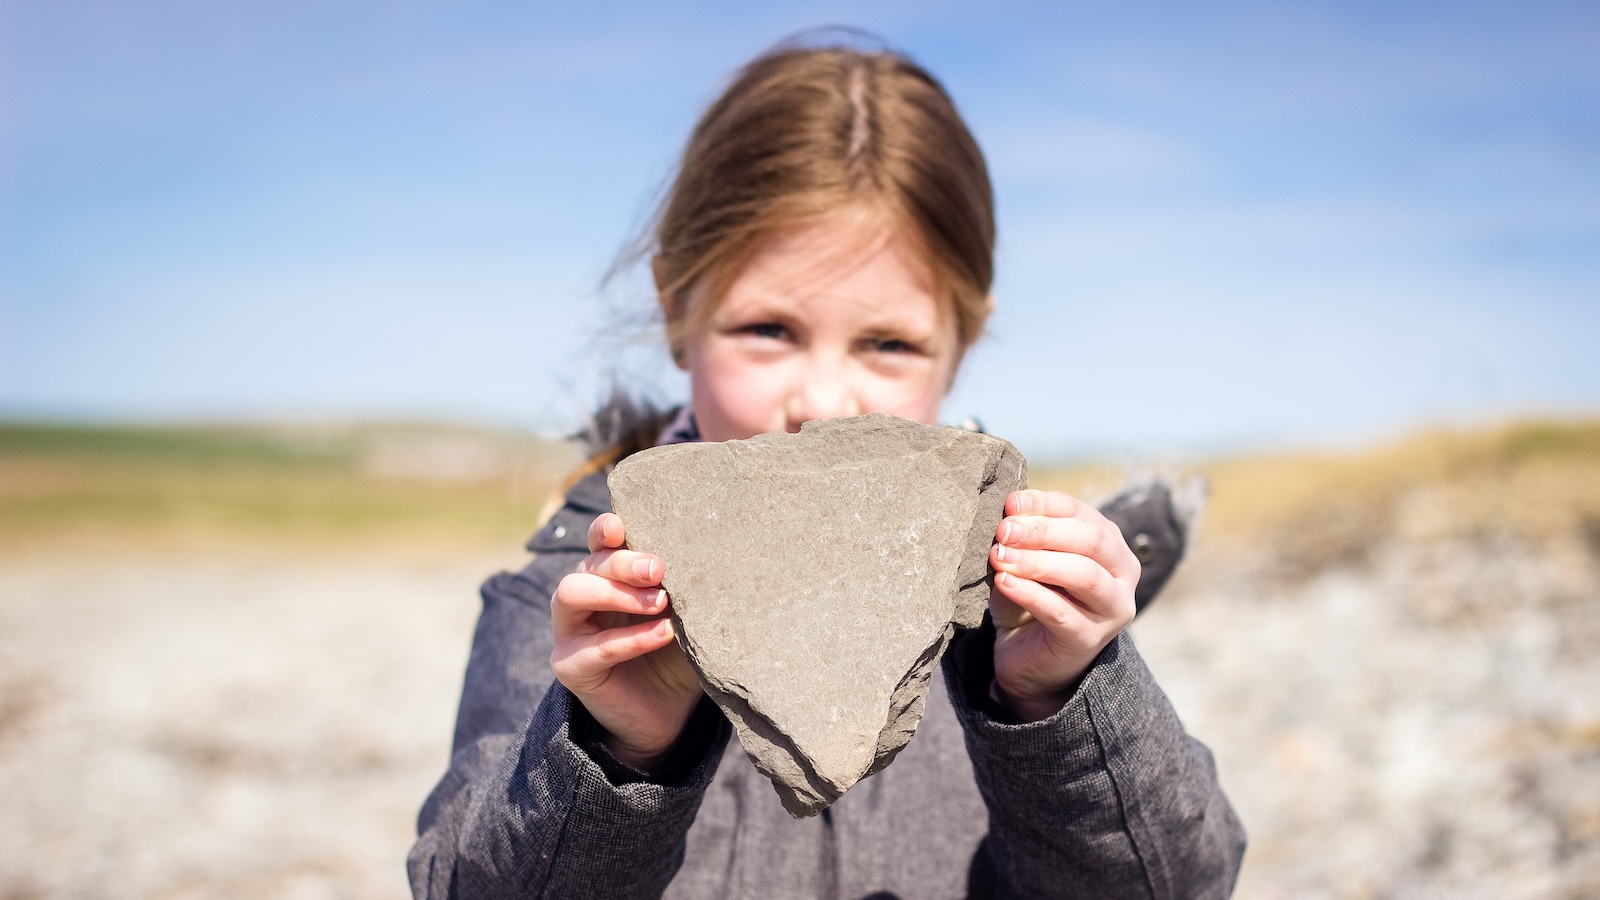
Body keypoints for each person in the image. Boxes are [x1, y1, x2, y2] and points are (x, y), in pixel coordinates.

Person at [409, 38, 1245, 899]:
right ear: (675, 308)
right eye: (768, 330)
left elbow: (1182, 885)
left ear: (962, 343)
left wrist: (1056, 703)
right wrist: (618, 746)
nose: (823, 402)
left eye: (888, 344)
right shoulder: (580, 604)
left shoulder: (1011, 611)